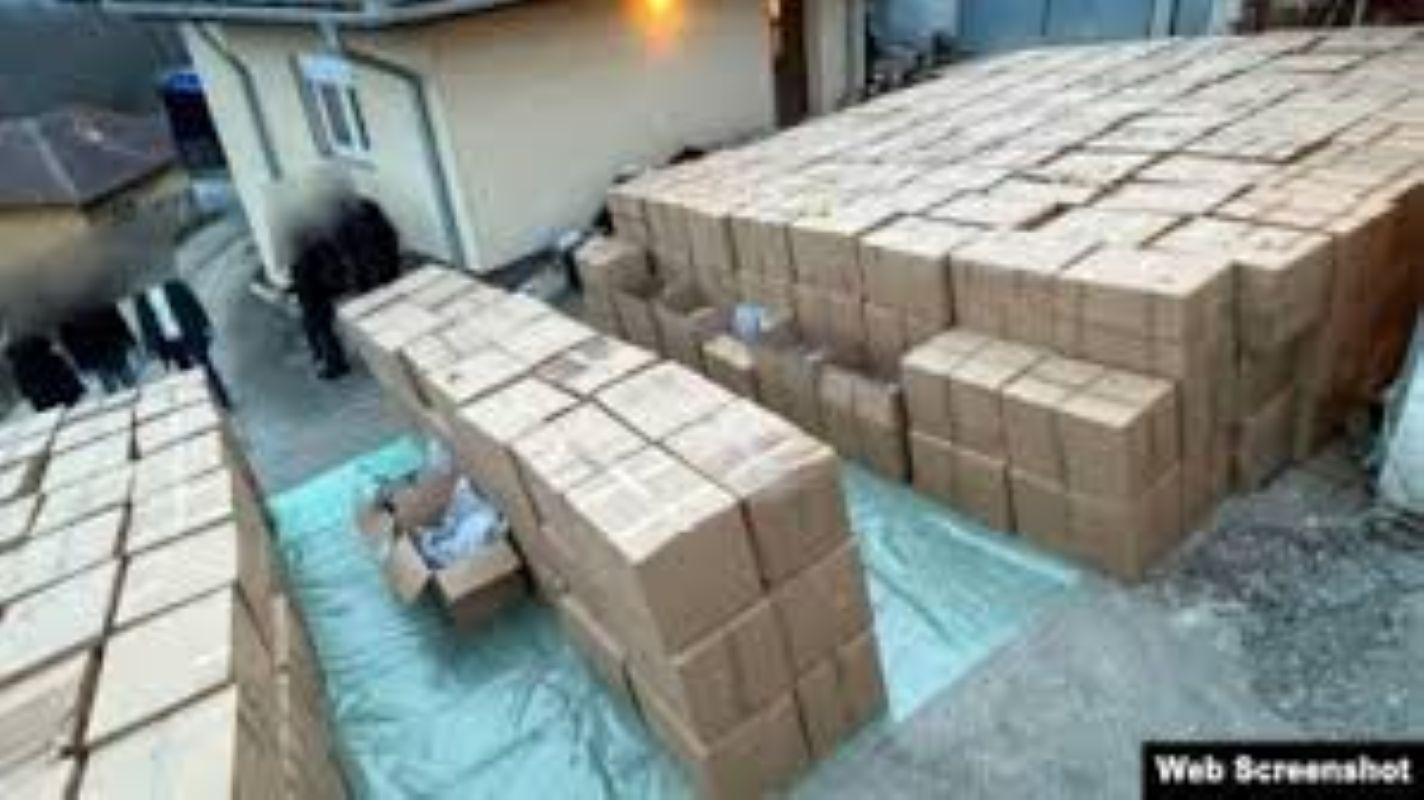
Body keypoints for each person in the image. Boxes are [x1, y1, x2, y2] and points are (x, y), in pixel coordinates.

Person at [134, 277, 231, 407]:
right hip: (170, 341)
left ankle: (223, 400)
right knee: (188, 375)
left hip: (188, 332)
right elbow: (144, 322)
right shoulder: (140, 296)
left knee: (206, 367)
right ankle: (204, 404)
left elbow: (192, 301)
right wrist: (151, 346)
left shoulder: (172, 282)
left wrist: (205, 324)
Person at [291, 228, 350, 380]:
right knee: (322, 333)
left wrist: (296, 289)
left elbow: (308, 284)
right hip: (318, 302)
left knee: (325, 335)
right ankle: (330, 360)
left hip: (315, 303)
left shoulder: (307, 259)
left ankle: (335, 365)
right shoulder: (316, 256)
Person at [58, 304, 139, 393]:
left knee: (115, 379)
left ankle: (128, 391)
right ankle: (130, 390)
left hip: (101, 345)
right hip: (103, 344)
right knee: (120, 377)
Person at [5, 333, 84, 411]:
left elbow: (24, 385)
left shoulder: (19, 366)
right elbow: (65, 374)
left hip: (46, 401)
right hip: (64, 395)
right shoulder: (49, 357)